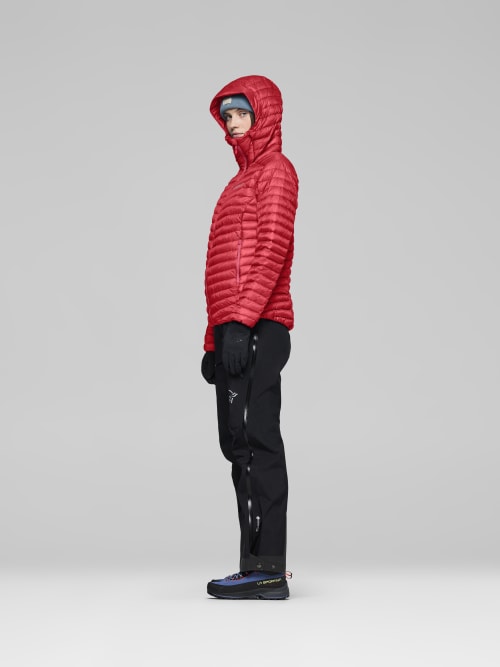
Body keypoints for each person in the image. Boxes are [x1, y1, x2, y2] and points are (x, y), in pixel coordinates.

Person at [201, 74, 299, 600]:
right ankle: (252, 565)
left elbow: (272, 249)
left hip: (260, 326)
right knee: (236, 445)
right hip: (234, 328)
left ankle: (270, 569)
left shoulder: (277, 171)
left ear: (265, 114)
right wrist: (213, 341)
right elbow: (222, 272)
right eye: (227, 115)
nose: (233, 122)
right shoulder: (237, 182)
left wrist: (242, 322)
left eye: (241, 112)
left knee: (258, 442)